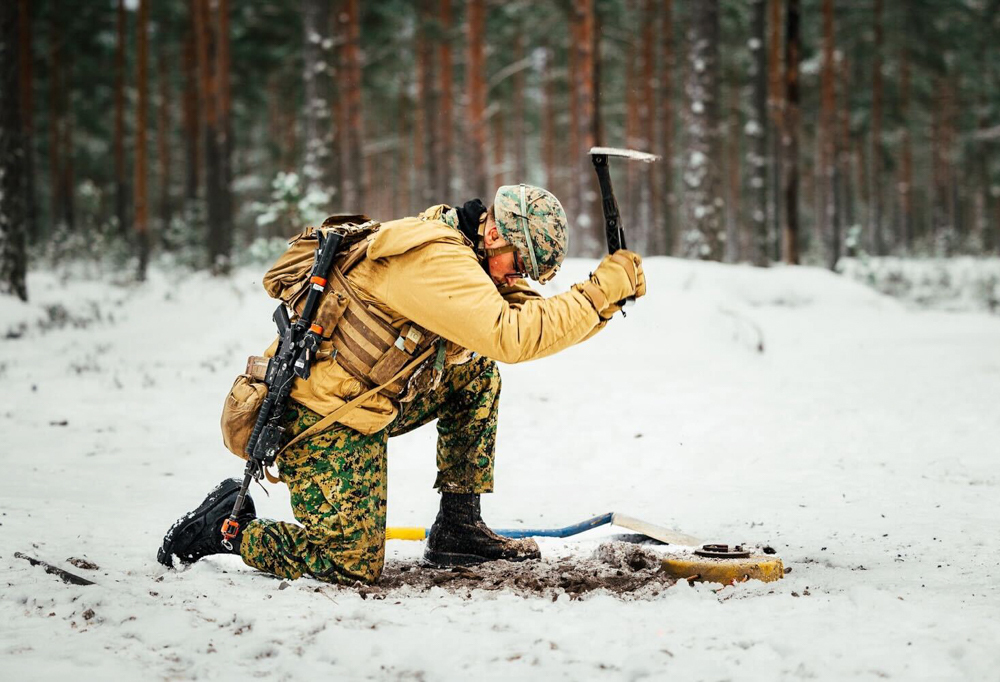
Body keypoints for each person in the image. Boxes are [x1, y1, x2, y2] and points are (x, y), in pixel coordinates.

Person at [158, 184, 646, 584]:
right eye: (519, 265)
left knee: (474, 374)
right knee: (351, 565)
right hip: (320, 419)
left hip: (367, 404)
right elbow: (512, 335)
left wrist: (604, 302)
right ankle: (232, 531)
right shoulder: (434, 259)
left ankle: (459, 526)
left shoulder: (469, 252)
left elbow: (525, 314)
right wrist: (599, 292)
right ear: (494, 232)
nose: (517, 277)